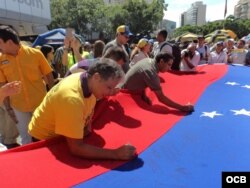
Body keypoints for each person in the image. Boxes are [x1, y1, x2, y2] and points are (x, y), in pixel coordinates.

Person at [28, 58, 137, 160]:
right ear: (96, 77)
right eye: (109, 87)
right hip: (44, 141)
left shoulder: (88, 81)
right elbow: (76, 148)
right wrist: (115, 154)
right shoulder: (72, 99)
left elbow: (87, 118)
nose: (110, 93)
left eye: (113, 88)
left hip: (61, 136)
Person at [0, 25, 54, 145]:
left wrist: (52, 98)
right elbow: (3, 86)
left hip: (40, 104)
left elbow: (49, 76)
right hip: (18, 107)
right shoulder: (1, 60)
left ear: (9, 42)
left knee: (45, 136)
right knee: (26, 139)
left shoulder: (36, 54)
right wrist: (9, 108)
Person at [121, 52, 194, 112]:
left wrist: (144, 95)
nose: (169, 68)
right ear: (161, 61)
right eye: (169, 65)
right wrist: (183, 108)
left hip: (127, 91)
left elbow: (140, 78)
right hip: (126, 98)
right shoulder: (151, 72)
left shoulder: (148, 60)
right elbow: (161, 98)